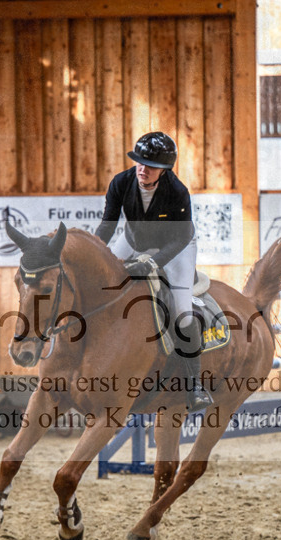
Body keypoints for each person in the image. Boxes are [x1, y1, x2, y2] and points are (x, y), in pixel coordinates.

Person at [94, 131, 212, 412]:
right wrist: (94, 252)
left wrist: (154, 263)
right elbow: (108, 225)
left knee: (183, 312)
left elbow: (181, 237)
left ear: (165, 169)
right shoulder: (121, 183)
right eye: (139, 162)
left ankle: (194, 385)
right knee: (101, 288)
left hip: (176, 247)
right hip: (134, 240)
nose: (142, 169)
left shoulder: (177, 191)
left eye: (150, 165)